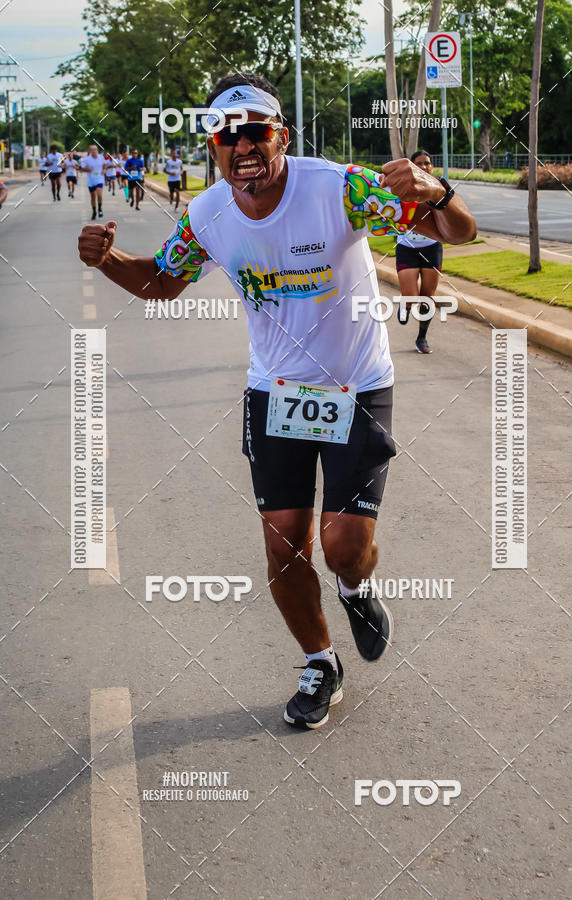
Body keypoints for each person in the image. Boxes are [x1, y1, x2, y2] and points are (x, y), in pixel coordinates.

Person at [77, 73, 476, 730]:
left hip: (356, 384)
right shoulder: (207, 215)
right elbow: (162, 282)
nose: (243, 147)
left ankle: (354, 585)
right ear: (213, 146)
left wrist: (441, 192)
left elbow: (457, 232)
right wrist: (109, 260)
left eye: (255, 132)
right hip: (275, 393)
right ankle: (320, 661)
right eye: (226, 136)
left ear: (281, 137)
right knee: (284, 546)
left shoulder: (340, 188)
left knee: (342, 544)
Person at [395, 150, 444, 354]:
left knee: (427, 297)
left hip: (432, 247)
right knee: (412, 297)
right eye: (419, 163)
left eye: (427, 163)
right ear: (412, 166)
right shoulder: (403, 188)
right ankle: (406, 305)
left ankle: (422, 338)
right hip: (407, 247)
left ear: (432, 166)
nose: (424, 166)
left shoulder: (439, 188)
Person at [78, 144, 106, 219]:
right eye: (92, 150)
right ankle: (94, 211)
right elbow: (81, 169)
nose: (94, 151)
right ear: (90, 151)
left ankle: (100, 209)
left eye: (95, 149)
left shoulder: (101, 157)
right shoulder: (87, 159)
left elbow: (104, 165)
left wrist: (104, 169)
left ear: (97, 150)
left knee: (99, 194)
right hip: (91, 181)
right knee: (93, 196)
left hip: (99, 179)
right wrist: (87, 169)